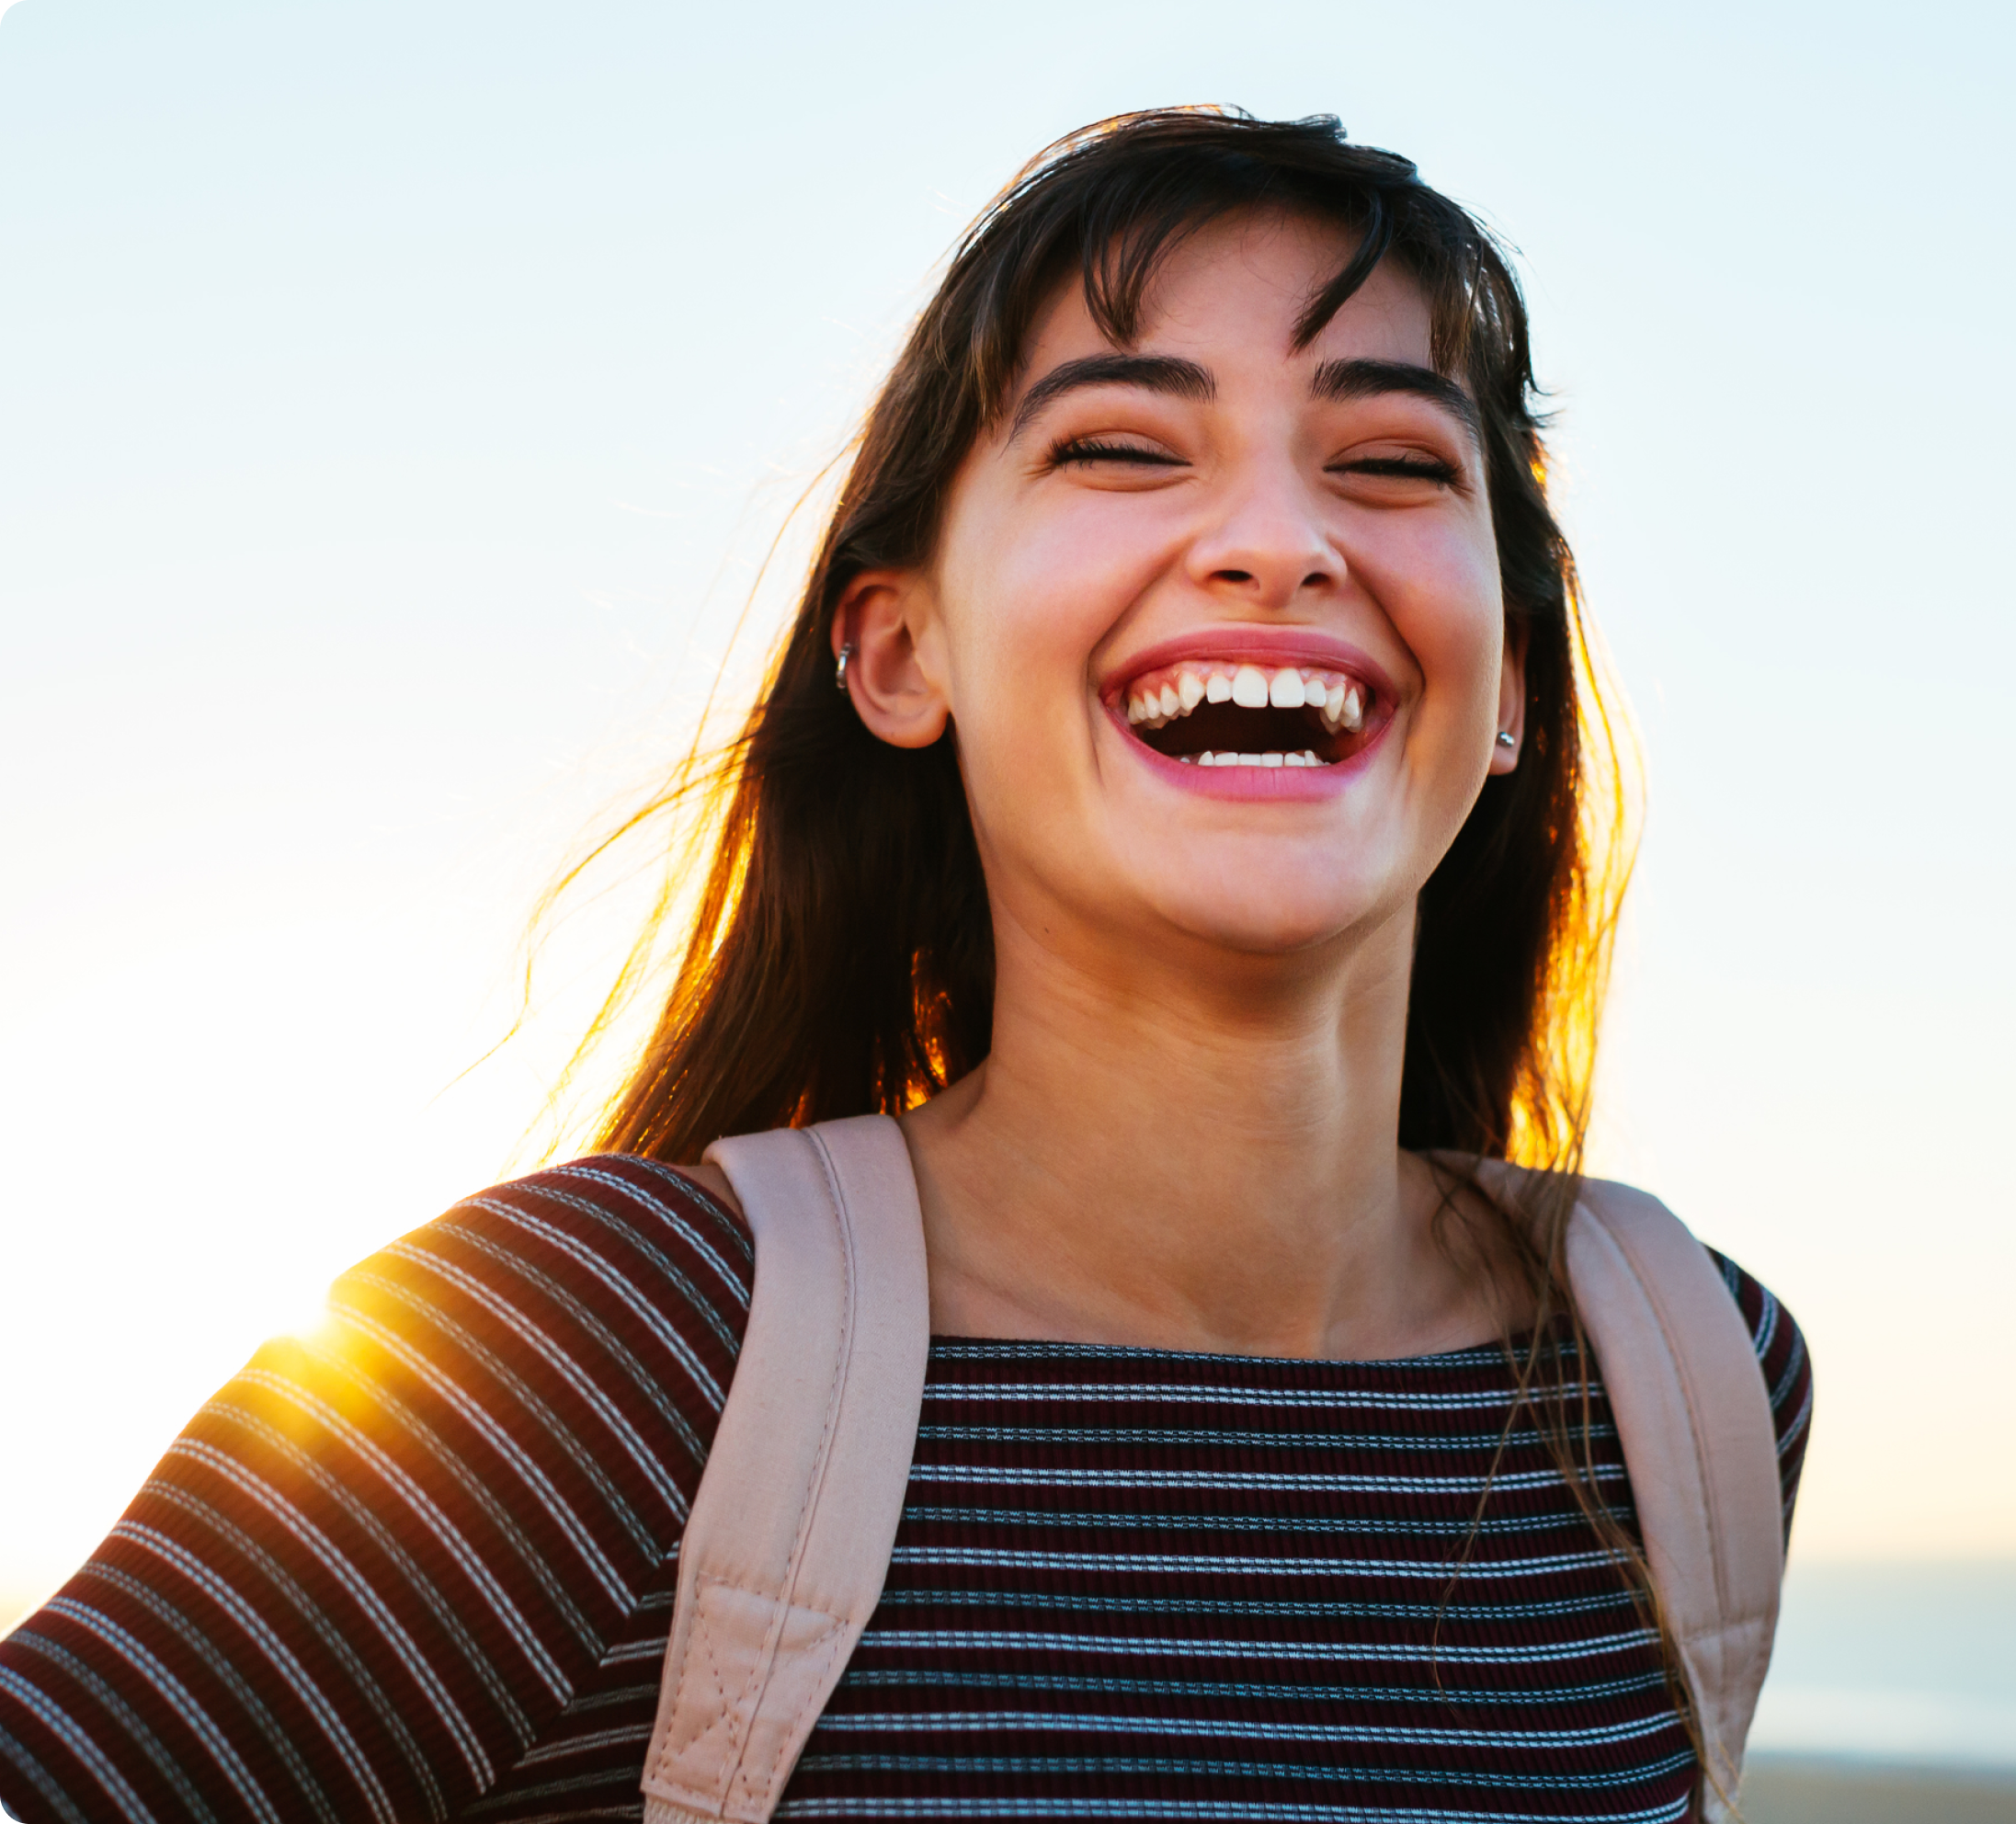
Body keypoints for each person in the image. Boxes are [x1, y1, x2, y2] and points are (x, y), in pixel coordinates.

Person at [0, 109, 1810, 1824]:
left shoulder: (1684, 1371)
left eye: (1397, 462)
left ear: (1507, 684)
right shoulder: (585, 1356)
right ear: (897, 649)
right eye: (1121, 444)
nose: (1278, 539)